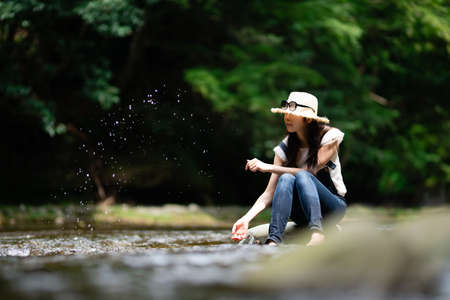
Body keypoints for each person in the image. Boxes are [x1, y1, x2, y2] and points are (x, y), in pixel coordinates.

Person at [231, 92, 347, 246]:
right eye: (285, 113)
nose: (287, 117)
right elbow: (269, 193)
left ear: (308, 119)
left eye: (293, 114)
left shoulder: (329, 137)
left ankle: (317, 234)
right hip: (302, 213)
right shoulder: (284, 148)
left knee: (303, 176)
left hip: (332, 208)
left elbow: (309, 171)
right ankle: (273, 240)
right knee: (285, 178)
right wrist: (245, 219)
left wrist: (268, 167)